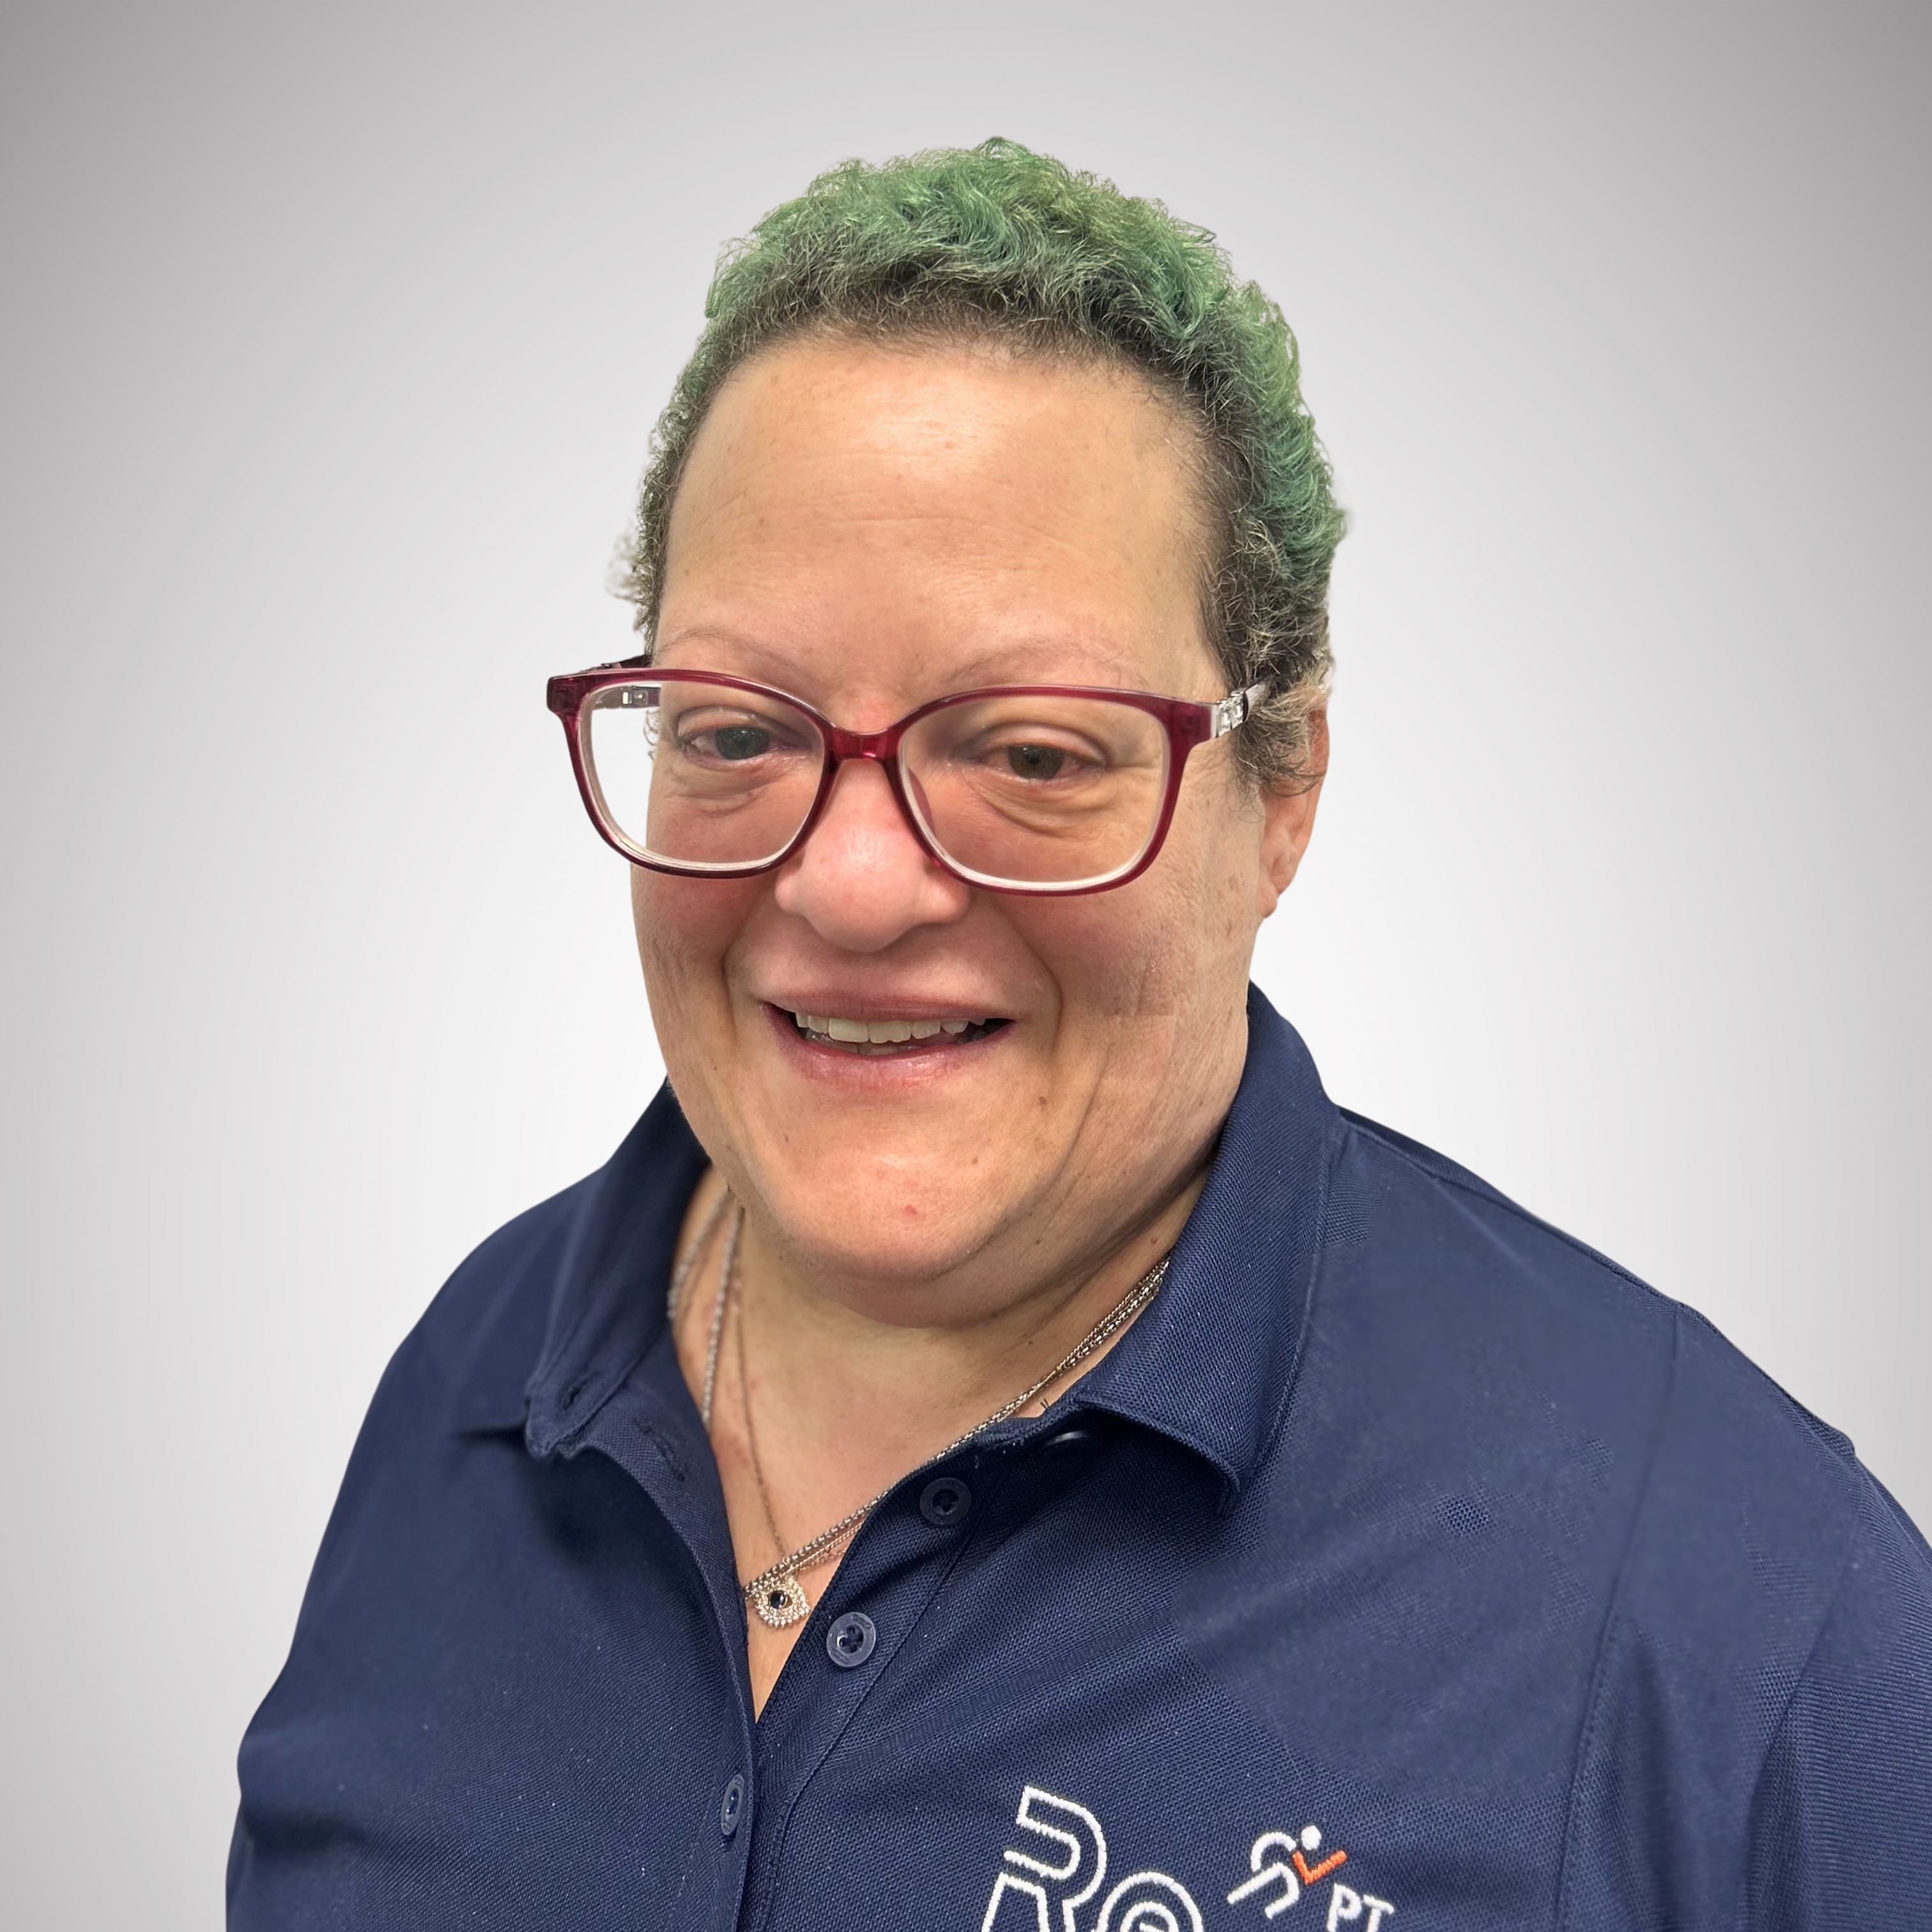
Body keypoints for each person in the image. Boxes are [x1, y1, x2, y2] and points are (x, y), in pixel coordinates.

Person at [228, 141, 1932, 1929]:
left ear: (1282, 794)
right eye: (736, 733)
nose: (857, 885)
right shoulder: (466, 1394)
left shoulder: (1736, 1612)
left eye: (1034, 753)